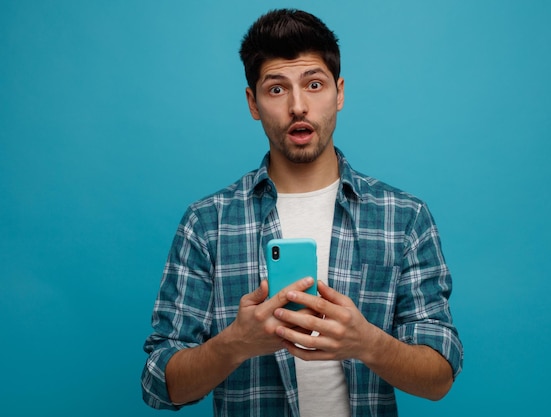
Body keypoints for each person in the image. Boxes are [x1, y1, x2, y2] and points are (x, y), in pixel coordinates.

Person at [141, 8, 462, 417]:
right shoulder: (208, 223)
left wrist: (367, 342)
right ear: (252, 102)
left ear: (339, 92)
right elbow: (159, 384)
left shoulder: (404, 217)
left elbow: (440, 377)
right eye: (276, 89)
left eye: (314, 84)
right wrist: (234, 343)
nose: (298, 106)